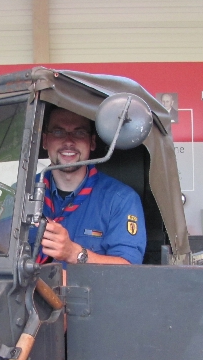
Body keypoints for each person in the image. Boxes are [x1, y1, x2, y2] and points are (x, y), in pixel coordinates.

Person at [29, 107, 146, 267]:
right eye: (58, 132)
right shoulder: (22, 193)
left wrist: (74, 253)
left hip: (88, 285)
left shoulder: (121, 199)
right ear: (45, 140)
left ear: (92, 142)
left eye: (79, 133)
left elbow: (129, 268)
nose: (68, 142)